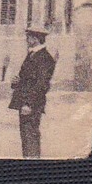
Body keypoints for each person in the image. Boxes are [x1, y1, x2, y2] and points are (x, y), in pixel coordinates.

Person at [9, 25, 58, 158]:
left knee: (30, 134)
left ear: (36, 38)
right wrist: (17, 82)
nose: (27, 39)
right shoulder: (33, 54)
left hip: (32, 103)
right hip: (25, 100)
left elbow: (41, 85)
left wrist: (28, 104)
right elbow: (28, 78)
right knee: (26, 134)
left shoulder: (44, 58)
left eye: (29, 36)